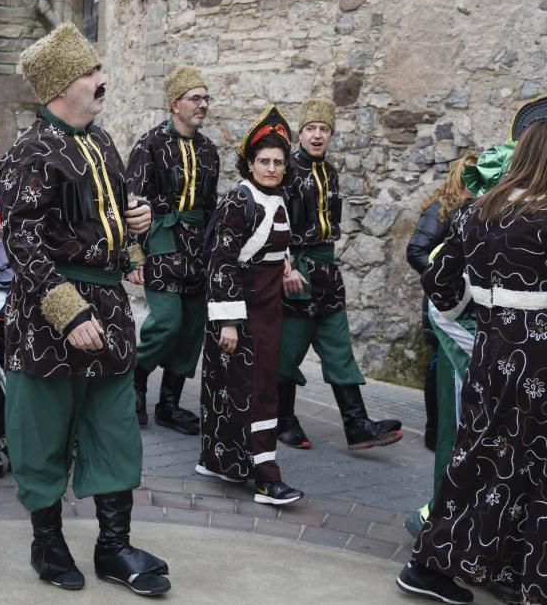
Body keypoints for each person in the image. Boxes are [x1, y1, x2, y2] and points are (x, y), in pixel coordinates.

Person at [397, 114, 547, 605]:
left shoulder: (479, 210)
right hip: (544, 364)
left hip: (491, 356)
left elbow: (440, 284)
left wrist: (483, 301)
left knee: (481, 464)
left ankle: (431, 567)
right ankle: (545, 586)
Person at [0, 23, 169, 595]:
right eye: (91, 73)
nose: (102, 80)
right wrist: (69, 313)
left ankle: (113, 547)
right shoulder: (28, 152)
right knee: (42, 433)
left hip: (111, 308)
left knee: (115, 428)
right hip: (49, 317)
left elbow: (116, 210)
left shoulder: (100, 140)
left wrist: (136, 224)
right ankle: (47, 543)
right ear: (61, 85)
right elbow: (20, 240)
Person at [277, 98, 402, 450]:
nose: (317, 135)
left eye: (324, 129)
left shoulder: (329, 171)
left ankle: (357, 425)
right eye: (311, 128)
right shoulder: (285, 169)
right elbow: (275, 218)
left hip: (327, 273)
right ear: (299, 133)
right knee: (288, 352)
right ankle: (283, 419)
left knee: (338, 347)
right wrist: (284, 264)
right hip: (296, 271)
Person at [196, 105, 305, 507]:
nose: (272, 168)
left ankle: (218, 459)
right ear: (250, 163)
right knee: (251, 391)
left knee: (243, 387)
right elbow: (221, 261)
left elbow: (268, 247)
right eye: (264, 161)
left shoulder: (277, 199)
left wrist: (288, 266)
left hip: (268, 309)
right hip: (239, 312)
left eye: (278, 162)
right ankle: (265, 477)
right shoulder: (239, 201)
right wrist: (228, 322)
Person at [125, 65, 219, 434]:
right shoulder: (149, 144)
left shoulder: (209, 150)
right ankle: (135, 380)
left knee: (193, 325)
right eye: (195, 99)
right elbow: (131, 200)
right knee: (167, 322)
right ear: (174, 104)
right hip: (161, 239)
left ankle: (169, 404)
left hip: (199, 246)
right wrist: (133, 254)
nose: (203, 105)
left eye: (205, 98)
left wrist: (218, 251)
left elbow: (211, 207)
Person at [403, 154, 477, 537]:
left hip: (456, 306)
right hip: (446, 307)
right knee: (439, 372)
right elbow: (417, 251)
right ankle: (436, 433)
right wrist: (448, 275)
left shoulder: (475, 210)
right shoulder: (443, 209)